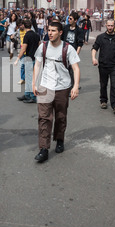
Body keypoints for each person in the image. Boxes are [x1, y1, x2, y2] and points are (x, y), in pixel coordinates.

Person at [32, 22, 81, 163]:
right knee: (44, 118)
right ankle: (43, 149)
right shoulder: (43, 46)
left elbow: (76, 68)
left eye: (53, 30)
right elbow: (37, 64)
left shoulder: (68, 48)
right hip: (45, 87)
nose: (50, 33)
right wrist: (34, 83)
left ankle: (59, 139)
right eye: (49, 30)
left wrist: (75, 86)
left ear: (60, 32)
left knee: (60, 116)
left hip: (62, 88)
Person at [91, 19, 115, 114]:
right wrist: (94, 58)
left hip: (114, 66)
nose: (110, 27)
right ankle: (103, 101)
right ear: (106, 25)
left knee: (114, 85)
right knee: (103, 84)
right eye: (108, 25)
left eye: (112, 25)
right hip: (103, 65)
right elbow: (94, 49)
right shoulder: (101, 37)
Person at [14, 19, 40, 103]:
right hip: (35, 58)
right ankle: (27, 94)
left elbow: (23, 48)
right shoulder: (36, 35)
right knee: (30, 77)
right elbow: (39, 46)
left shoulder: (27, 35)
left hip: (29, 58)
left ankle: (32, 96)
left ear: (24, 26)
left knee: (30, 78)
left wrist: (17, 58)